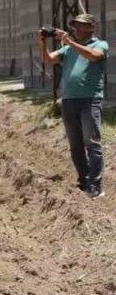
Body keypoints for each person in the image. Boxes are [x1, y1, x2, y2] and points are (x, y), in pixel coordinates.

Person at [39, 12, 108, 198]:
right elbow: (48, 59)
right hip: (69, 101)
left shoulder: (100, 45)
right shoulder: (68, 49)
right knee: (75, 145)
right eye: (75, 25)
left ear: (91, 27)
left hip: (90, 100)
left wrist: (69, 42)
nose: (76, 28)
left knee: (92, 143)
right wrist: (43, 41)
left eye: (81, 25)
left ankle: (95, 185)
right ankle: (84, 181)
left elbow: (93, 56)